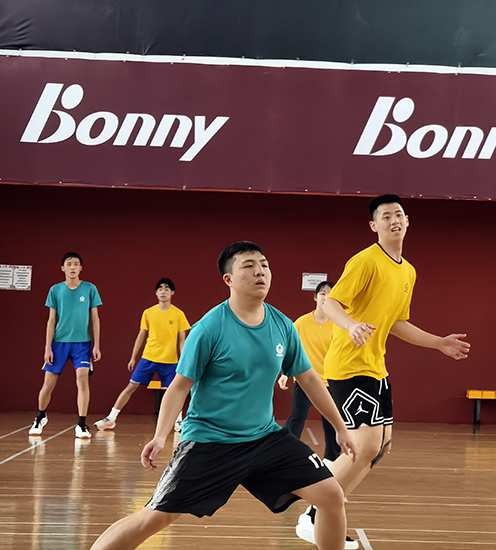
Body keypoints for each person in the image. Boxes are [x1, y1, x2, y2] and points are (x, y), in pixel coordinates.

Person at [90, 241, 359, 550]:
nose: (260, 272)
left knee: (331, 494)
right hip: (210, 441)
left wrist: (340, 427)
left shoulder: (283, 325)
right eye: (249, 266)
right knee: (155, 518)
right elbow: (179, 386)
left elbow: (309, 378)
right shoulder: (209, 328)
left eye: (264, 265)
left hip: (264, 438)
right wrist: (161, 435)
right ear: (228, 279)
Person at [296, 194, 471, 543]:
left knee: (379, 447)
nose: (394, 220)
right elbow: (331, 303)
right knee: (364, 447)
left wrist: (439, 342)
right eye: (386, 216)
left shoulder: (408, 271)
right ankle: (314, 515)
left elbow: (397, 323)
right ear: (374, 225)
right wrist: (351, 326)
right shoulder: (365, 261)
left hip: (376, 367)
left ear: (408, 221)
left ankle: (321, 511)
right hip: (349, 365)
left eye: (399, 214)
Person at [95, 278, 191, 432]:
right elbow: (141, 335)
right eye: (160, 288)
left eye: (167, 288)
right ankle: (111, 418)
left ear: (172, 292)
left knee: (175, 391)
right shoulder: (148, 313)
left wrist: (183, 359)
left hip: (170, 361)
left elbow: (182, 339)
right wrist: (133, 357)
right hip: (148, 358)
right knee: (131, 386)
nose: (163, 291)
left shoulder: (178, 314)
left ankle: (178, 421)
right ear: (156, 293)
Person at [30, 252, 102, 439]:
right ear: (63, 268)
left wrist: (96, 345)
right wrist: (47, 347)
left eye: (76, 264)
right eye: (69, 264)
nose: (72, 267)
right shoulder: (55, 290)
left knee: (82, 379)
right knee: (48, 385)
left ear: (81, 268)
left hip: (82, 344)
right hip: (59, 344)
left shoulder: (90, 288)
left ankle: (81, 424)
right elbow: (51, 320)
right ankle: (40, 417)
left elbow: (95, 318)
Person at [278, 280, 341, 462]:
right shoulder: (301, 323)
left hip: (330, 380)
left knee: (331, 420)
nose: (325, 297)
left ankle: (332, 458)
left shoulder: (339, 324)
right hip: (305, 378)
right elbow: (291, 348)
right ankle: (285, 452)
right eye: (322, 293)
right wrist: (285, 373)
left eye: (330, 294)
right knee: (297, 417)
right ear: (315, 297)